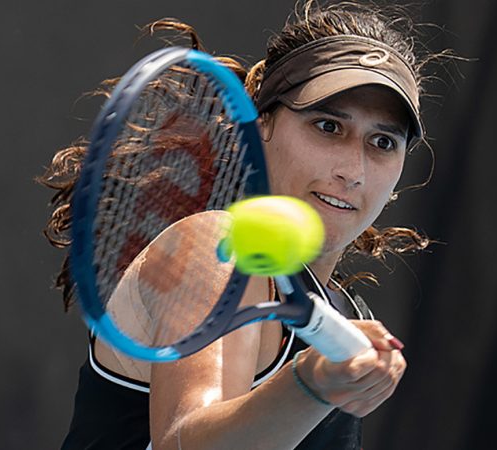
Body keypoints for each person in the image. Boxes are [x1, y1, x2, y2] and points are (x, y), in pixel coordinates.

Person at [39, 1, 441, 448]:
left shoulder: (346, 313)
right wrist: (309, 385)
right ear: (264, 123)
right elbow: (184, 444)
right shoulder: (216, 247)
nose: (354, 170)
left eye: (382, 142)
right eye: (328, 127)